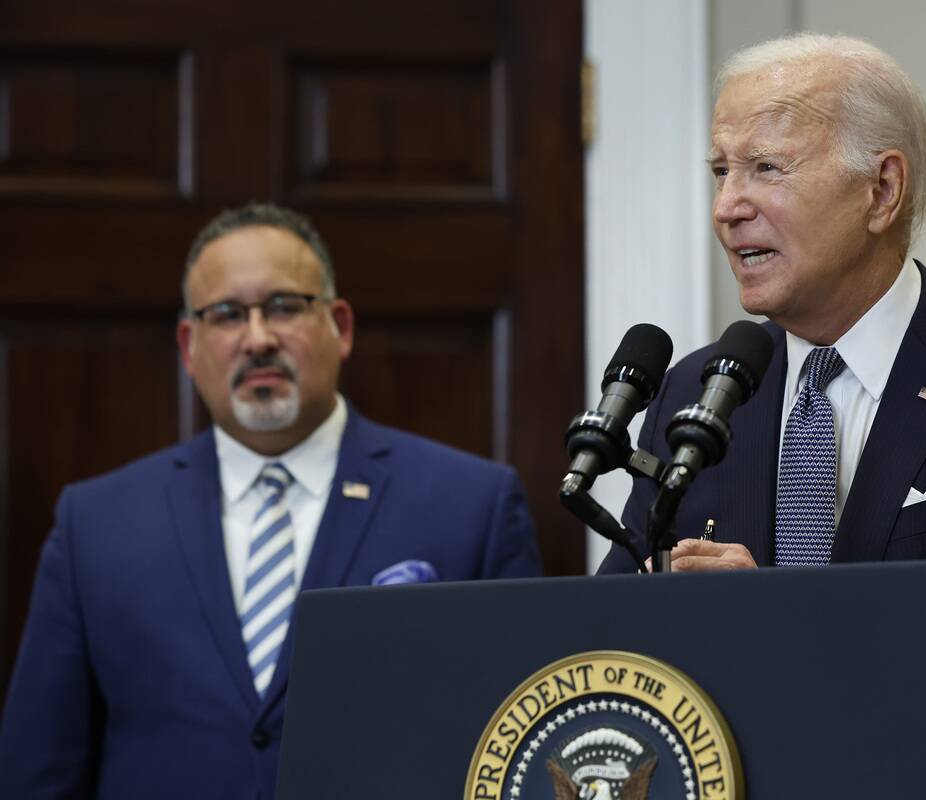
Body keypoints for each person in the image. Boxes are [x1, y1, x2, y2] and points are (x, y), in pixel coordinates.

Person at [598, 34, 926, 654]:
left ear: (882, 191)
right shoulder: (696, 390)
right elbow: (612, 641)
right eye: (721, 172)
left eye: (766, 167)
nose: (727, 207)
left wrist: (784, 621)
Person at [0, 204, 542, 798]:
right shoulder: (96, 524)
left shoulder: (470, 506)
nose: (257, 339)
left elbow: (517, 752)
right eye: (227, 315)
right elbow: (39, 768)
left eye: (284, 307)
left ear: (341, 326)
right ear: (188, 345)